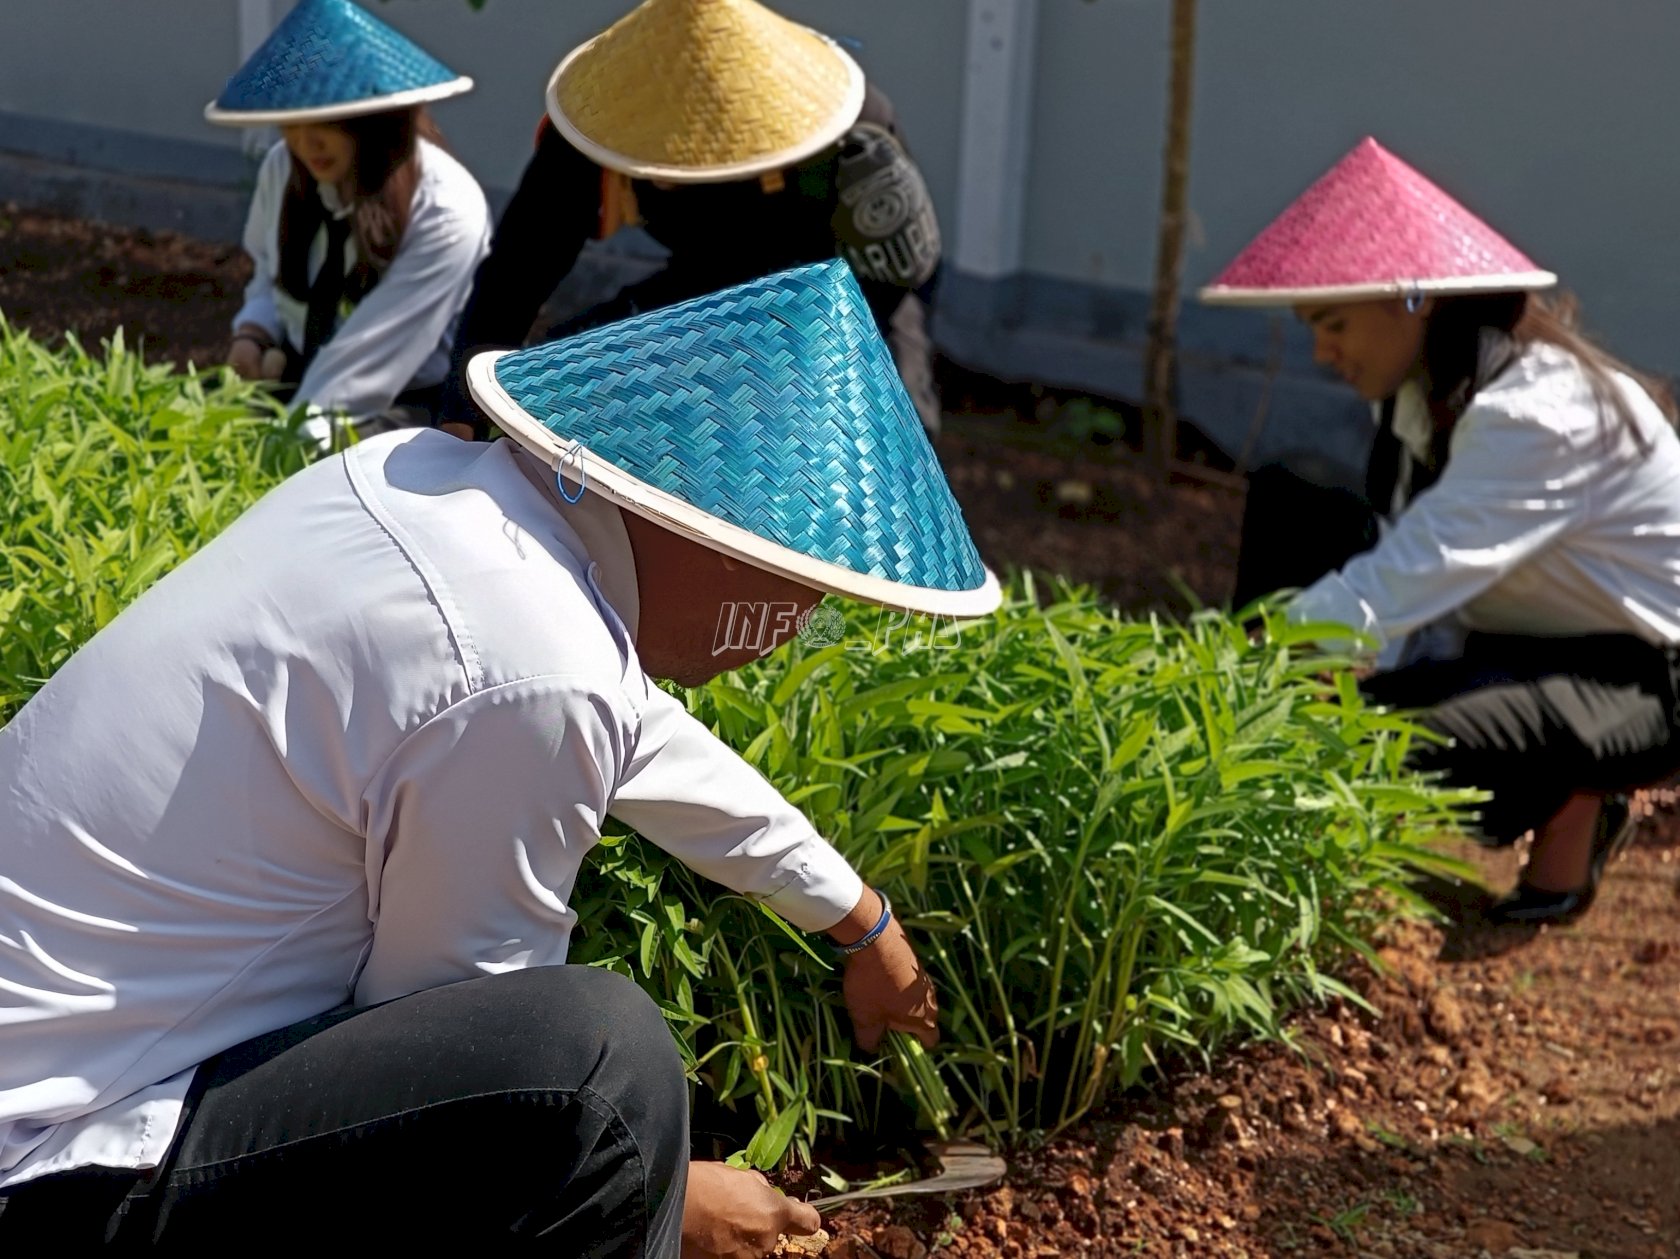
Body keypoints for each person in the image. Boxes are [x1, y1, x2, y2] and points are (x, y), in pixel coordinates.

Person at [0, 260, 999, 1254]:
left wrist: (858, 916)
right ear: (715, 535)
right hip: (56, 1163)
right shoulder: (535, 661)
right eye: (800, 585)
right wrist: (658, 1188)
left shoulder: (429, 488)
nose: (792, 626)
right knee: (599, 1069)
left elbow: (632, 727)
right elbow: (476, 1064)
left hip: (65, 1070)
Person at [1204, 136, 1680, 925]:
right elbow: (1408, 580)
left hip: (1644, 673)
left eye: (1334, 324)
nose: (1322, 352)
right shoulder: (1422, 396)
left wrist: (1232, 675)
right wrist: (1317, 679)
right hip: (1521, 631)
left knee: (1384, 738)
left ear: (1413, 301)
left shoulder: (1536, 414)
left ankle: (1580, 804)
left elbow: (1400, 582)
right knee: (1295, 498)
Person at [438, 0, 944, 442]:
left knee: (894, 425)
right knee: (558, 384)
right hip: (705, 275)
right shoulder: (591, 133)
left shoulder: (851, 135)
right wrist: (463, 413)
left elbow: (891, 288)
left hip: (836, 279)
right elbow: (514, 274)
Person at [206, 0, 491, 451]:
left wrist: (283, 447)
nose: (307, 143)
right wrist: (253, 334)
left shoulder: (446, 208)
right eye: (293, 123)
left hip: (397, 401)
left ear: (375, 120)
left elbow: (364, 366)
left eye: (328, 123)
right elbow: (268, 274)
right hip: (302, 372)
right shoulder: (283, 168)